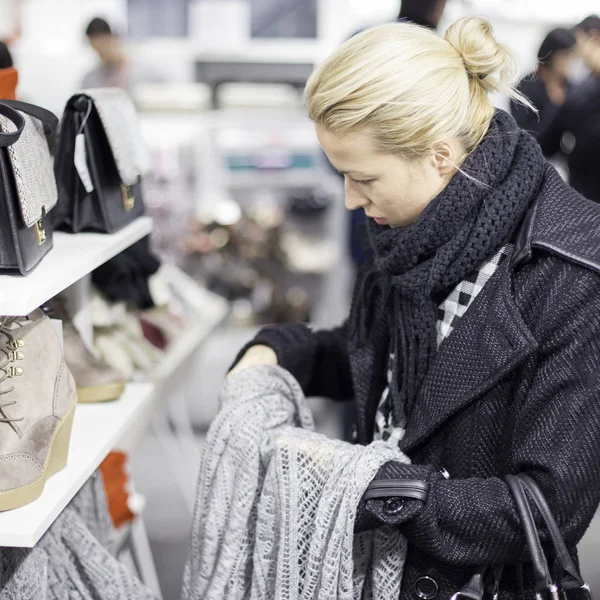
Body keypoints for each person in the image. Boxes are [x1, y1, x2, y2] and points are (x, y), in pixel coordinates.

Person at [229, 16, 600, 599]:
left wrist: (387, 492)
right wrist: (279, 350)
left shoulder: (570, 271)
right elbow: (376, 356)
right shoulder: (414, 233)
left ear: (439, 155)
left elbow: (551, 504)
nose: (351, 198)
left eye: (363, 176)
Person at [538, 15, 600, 203]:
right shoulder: (581, 90)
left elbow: (546, 142)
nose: (577, 54)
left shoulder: (582, 92)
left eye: (578, 43)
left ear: (594, 39)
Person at [510, 28, 576, 135]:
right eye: (565, 56)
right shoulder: (525, 88)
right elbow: (525, 133)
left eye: (572, 56)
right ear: (551, 55)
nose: (570, 62)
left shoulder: (570, 86)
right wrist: (554, 106)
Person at [81, 17, 163, 90]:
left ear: (112, 39)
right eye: (95, 50)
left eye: (101, 48)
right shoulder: (90, 80)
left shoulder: (144, 72)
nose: (100, 55)